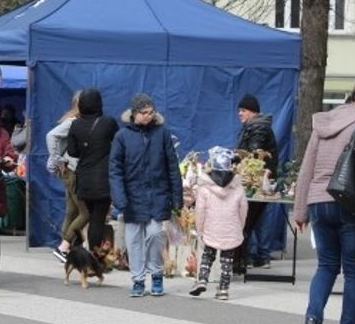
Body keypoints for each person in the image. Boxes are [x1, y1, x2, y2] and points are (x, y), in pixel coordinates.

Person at [294, 80, 355, 324]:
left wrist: (300, 210)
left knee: (326, 266)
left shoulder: (323, 123)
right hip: (348, 204)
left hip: (318, 202)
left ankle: (312, 319)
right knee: (352, 271)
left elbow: (306, 168)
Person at [109, 93, 183, 298]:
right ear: (134, 114)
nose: (149, 116)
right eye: (144, 113)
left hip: (157, 195)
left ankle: (156, 274)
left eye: (151, 112)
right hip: (132, 197)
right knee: (133, 240)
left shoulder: (162, 133)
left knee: (155, 235)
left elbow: (172, 167)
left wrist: (177, 197)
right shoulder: (122, 136)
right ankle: (138, 280)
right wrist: (119, 198)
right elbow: (115, 170)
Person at [67, 88, 120, 253]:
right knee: (98, 219)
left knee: (86, 216)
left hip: (84, 178)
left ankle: (76, 252)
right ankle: (94, 257)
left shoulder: (75, 125)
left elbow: (72, 151)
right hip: (103, 178)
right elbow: (119, 144)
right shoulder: (108, 123)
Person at [191, 147, 248, 300]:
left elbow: (200, 211)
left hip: (211, 227)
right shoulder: (238, 187)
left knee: (207, 255)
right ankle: (223, 289)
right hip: (231, 228)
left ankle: (202, 279)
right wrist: (239, 227)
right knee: (227, 261)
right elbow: (243, 210)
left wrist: (200, 229)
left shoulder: (205, 188)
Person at [234, 93, 279, 272]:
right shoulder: (253, 126)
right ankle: (255, 257)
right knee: (253, 221)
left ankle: (245, 259)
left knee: (248, 221)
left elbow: (253, 157)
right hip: (259, 181)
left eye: (243, 110)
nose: (239, 113)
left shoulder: (258, 128)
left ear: (252, 112)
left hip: (258, 183)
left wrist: (236, 162)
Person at [48, 92, 85, 262]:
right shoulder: (73, 122)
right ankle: (64, 247)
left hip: (67, 171)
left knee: (71, 212)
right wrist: (57, 158)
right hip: (71, 171)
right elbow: (51, 136)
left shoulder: (71, 120)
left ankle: (67, 248)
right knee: (85, 213)